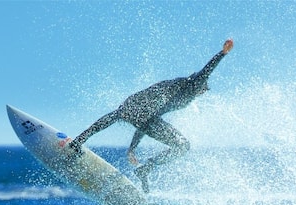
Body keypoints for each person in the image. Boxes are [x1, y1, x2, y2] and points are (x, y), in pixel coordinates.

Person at [69, 39, 234, 193]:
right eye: (204, 89)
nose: (203, 92)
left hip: (141, 108)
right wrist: (222, 53)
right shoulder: (192, 84)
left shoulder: (182, 96)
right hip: (142, 104)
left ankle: (82, 141)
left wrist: (132, 148)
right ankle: (82, 141)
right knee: (182, 146)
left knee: (118, 115)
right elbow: (206, 71)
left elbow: (146, 122)